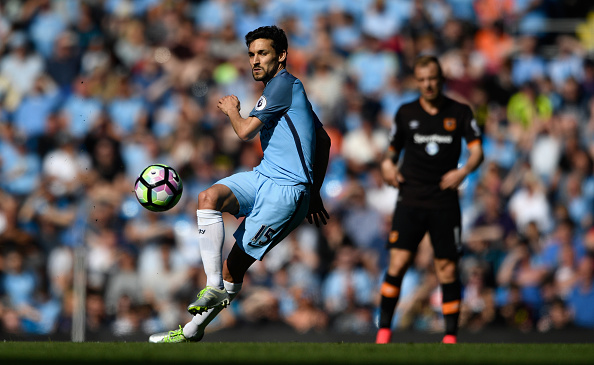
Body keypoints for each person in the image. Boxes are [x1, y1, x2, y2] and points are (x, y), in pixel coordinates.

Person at [149, 25, 331, 343]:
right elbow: (325, 141)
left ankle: (191, 331)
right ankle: (211, 284)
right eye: (251, 54)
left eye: (263, 53)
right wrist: (315, 190)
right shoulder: (289, 91)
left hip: (285, 193)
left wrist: (233, 111)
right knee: (208, 197)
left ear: (282, 55)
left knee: (235, 268)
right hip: (263, 175)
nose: (255, 61)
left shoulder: (283, 85)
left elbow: (245, 131)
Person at [376, 55, 484, 344]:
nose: (428, 84)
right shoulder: (405, 112)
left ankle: (450, 336)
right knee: (397, 263)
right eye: (422, 80)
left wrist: (464, 172)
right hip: (410, 198)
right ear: (417, 81)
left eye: (432, 79)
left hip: (444, 201)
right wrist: (387, 166)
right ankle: (384, 331)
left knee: (447, 267)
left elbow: (477, 151)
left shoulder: (460, 112)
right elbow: (390, 153)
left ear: (441, 79)